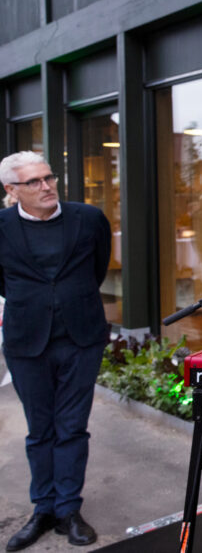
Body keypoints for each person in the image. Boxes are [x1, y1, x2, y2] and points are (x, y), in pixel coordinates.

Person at [0, 151, 111, 551]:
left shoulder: (88, 219)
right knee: (39, 429)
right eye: (33, 182)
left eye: (49, 177)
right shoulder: (1, 226)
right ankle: (42, 508)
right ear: (11, 190)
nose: (46, 187)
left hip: (81, 339)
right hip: (27, 342)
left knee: (72, 427)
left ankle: (68, 509)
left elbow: (99, 267)